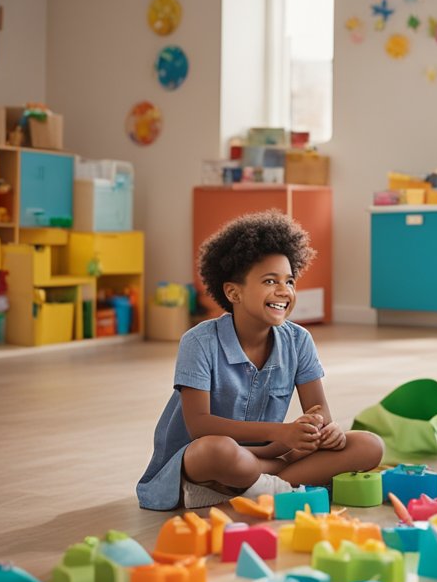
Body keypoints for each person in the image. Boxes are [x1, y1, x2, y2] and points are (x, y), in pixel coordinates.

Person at [137, 210, 384, 510]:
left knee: (369, 445)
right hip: (206, 456)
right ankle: (279, 483)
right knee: (218, 451)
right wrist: (279, 433)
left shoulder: (299, 340)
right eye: (270, 281)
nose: (284, 291)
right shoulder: (199, 342)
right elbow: (199, 426)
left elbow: (320, 413)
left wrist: (324, 431)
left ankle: (255, 487)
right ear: (233, 292)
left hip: (271, 454)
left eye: (290, 281)